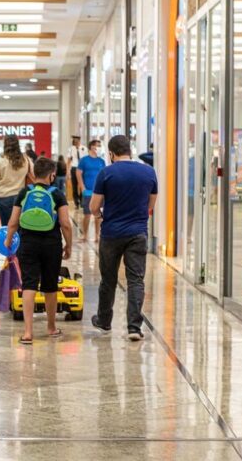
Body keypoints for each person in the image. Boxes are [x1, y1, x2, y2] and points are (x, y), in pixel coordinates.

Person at [89, 135, 158, 341]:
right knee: (135, 280)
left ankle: (104, 321)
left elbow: (93, 206)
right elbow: (151, 204)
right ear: (130, 150)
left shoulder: (106, 173)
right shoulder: (149, 172)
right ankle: (134, 328)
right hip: (138, 233)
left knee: (108, 279)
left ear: (111, 153)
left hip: (111, 233)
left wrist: (101, 216)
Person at [5, 157, 72, 344]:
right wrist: (69, 245)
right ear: (52, 175)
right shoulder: (57, 194)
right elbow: (66, 224)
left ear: (34, 174)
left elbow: (13, 222)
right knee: (50, 286)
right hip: (51, 244)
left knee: (29, 285)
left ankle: (28, 332)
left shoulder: (24, 192)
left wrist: (9, 242)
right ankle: (51, 328)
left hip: (27, 243)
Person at [0, 134, 33, 225]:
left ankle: (9, 240)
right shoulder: (26, 159)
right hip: (21, 196)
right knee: (20, 225)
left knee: (6, 226)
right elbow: (33, 174)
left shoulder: (0, 160)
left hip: (3, 197)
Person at [77, 140, 107, 243]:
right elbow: (78, 173)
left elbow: (105, 176)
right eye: (97, 146)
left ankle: (97, 235)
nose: (99, 148)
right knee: (87, 214)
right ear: (92, 147)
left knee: (98, 215)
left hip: (99, 192)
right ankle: (84, 234)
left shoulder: (101, 161)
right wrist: (82, 187)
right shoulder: (84, 160)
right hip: (88, 191)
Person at [67, 135, 87, 205]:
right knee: (74, 185)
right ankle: (76, 201)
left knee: (82, 184)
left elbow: (86, 159)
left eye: (76, 140)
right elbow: (69, 160)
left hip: (82, 168)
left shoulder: (84, 148)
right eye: (73, 140)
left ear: (79, 140)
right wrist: (67, 171)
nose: (75, 141)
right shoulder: (71, 149)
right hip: (74, 167)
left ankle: (82, 200)